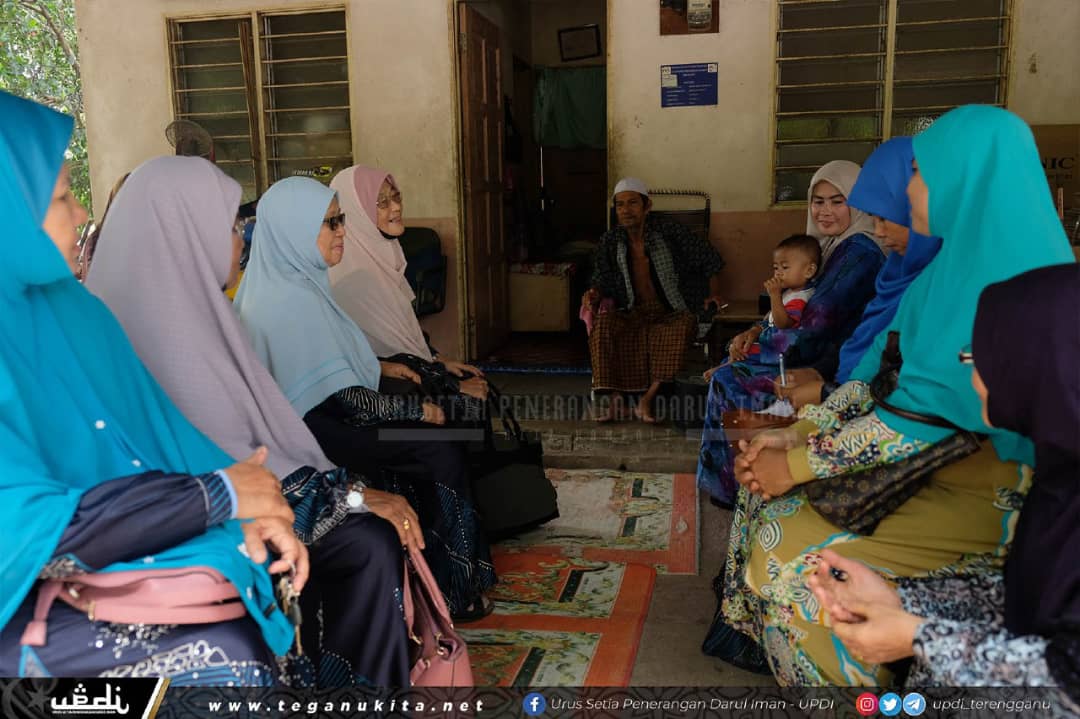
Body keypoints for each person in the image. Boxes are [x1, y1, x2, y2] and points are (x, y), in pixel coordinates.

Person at [715, 105, 1076, 686]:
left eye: (920, 174)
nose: (909, 191)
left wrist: (798, 461)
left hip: (992, 488)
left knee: (791, 561)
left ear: (963, 178)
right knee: (771, 512)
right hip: (925, 466)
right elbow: (874, 373)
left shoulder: (1020, 285)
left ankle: (859, 690)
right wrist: (798, 432)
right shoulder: (942, 271)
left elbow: (920, 417)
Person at [0, 90, 302, 684]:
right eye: (61, 196)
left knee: (257, 592)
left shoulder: (75, 312)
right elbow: (23, 533)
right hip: (21, 595)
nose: (82, 214)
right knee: (225, 658)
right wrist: (220, 497)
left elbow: (152, 445)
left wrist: (245, 512)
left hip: (103, 559)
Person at [85, 155, 416, 687]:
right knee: (366, 540)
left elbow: (259, 453)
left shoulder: (203, 314)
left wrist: (348, 496)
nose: (241, 242)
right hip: (183, 532)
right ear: (187, 234)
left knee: (368, 531)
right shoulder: (154, 334)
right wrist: (351, 499)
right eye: (231, 227)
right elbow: (225, 466)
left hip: (228, 506)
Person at [808, 264, 1078, 715]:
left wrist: (918, 637)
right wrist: (902, 601)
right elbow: (1027, 602)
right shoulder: (1061, 480)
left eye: (979, 356)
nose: (970, 378)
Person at [234, 176, 497, 621]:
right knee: (438, 447)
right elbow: (348, 399)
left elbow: (330, 366)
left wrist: (382, 368)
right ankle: (453, 589)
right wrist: (417, 410)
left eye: (341, 219)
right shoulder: (288, 301)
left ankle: (438, 573)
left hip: (328, 420)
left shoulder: (295, 284)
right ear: (295, 231)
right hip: (313, 436)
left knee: (431, 435)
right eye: (330, 223)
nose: (342, 231)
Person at [697, 161, 884, 506]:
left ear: (859, 203)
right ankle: (740, 481)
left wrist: (756, 345)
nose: (825, 211)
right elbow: (795, 305)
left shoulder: (860, 252)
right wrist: (755, 330)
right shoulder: (829, 246)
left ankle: (741, 484)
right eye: (818, 201)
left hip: (827, 362)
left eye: (838, 201)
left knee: (730, 379)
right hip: (808, 351)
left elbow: (817, 327)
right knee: (732, 363)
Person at [773, 138, 942, 410]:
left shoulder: (942, 283)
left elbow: (930, 390)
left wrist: (827, 393)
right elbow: (870, 344)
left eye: (885, 217)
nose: (878, 231)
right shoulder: (897, 269)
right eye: (873, 217)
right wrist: (822, 377)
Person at [328, 164, 488, 415]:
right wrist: (450, 385)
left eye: (395, 196)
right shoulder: (352, 279)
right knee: (469, 406)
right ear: (356, 213)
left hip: (406, 380)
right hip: (381, 398)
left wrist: (438, 360)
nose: (396, 207)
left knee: (474, 393)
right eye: (382, 202)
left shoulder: (380, 256)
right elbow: (384, 357)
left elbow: (402, 339)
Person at [585, 177, 726, 423]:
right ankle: (617, 402)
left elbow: (710, 260)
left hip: (671, 310)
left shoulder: (670, 232)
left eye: (632, 203)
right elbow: (601, 278)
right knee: (604, 327)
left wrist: (713, 293)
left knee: (684, 326)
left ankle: (646, 401)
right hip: (632, 311)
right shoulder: (610, 241)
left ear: (647, 206)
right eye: (620, 205)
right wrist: (593, 293)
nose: (626, 210)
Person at [748, 233, 819, 353]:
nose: (778, 273)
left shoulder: (801, 298)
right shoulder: (791, 291)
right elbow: (769, 318)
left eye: (785, 267)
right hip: (772, 341)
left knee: (743, 354)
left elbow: (783, 324)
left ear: (809, 271)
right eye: (776, 267)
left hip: (781, 350)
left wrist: (775, 296)